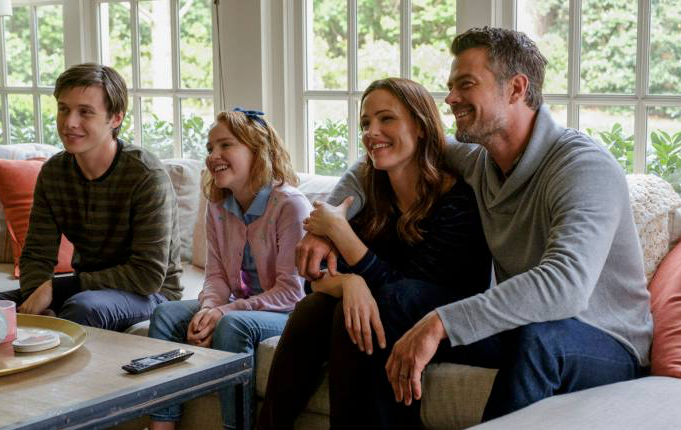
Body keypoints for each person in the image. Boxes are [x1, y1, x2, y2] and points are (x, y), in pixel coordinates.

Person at [295, 26, 652, 425]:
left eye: (466, 84)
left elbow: (565, 287)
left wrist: (441, 322)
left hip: (606, 341)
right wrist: (328, 221)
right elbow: (381, 153)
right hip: (524, 326)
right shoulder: (480, 161)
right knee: (395, 300)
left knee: (539, 339)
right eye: (451, 86)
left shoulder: (582, 166)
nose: (450, 98)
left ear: (516, 88)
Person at [257, 78, 492, 430]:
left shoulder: (458, 202)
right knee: (315, 308)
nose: (372, 132)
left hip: (446, 327)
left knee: (359, 312)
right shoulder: (369, 196)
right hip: (387, 310)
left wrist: (341, 234)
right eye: (366, 123)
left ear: (420, 126)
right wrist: (349, 283)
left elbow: (406, 296)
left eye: (386, 119)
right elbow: (313, 281)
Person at [0, 63, 183, 331]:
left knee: (82, 308)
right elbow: (37, 255)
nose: (69, 123)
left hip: (150, 294)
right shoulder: (54, 173)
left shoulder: (146, 175)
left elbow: (148, 275)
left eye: (85, 112)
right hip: (85, 289)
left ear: (115, 118)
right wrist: (39, 302)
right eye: (63, 109)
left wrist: (56, 288)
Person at [148, 108, 311, 430]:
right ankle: (161, 426)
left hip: (288, 313)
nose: (213, 156)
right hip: (239, 306)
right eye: (210, 148)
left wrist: (223, 312)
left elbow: (292, 292)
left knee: (232, 325)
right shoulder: (218, 206)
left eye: (225, 145)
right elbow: (217, 276)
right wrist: (208, 308)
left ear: (258, 150)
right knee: (165, 315)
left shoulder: (290, 205)